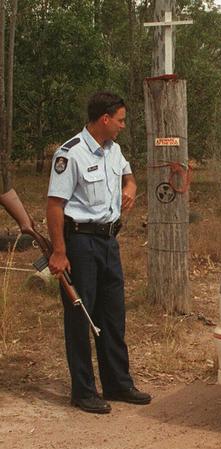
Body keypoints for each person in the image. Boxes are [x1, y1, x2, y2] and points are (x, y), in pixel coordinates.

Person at [46, 92, 151, 414]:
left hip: (108, 242)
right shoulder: (70, 154)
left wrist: (129, 190)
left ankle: (117, 383)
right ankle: (84, 390)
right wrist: (59, 253)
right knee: (82, 318)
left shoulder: (113, 150)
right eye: (120, 120)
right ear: (104, 119)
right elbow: (55, 205)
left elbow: (129, 178)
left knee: (112, 315)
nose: (122, 126)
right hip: (80, 242)